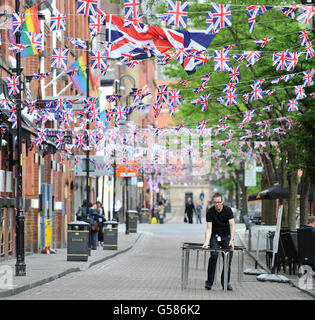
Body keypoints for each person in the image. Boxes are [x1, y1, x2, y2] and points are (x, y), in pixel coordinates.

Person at [202, 192, 235, 291]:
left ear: (222, 201)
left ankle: (225, 282)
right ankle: (209, 282)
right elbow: (208, 228)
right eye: (215, 202)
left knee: (228, 257)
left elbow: (232, 225)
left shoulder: (228, 210)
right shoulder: (210, 212)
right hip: (214, 236)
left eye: (219, 202)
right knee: (214, 255)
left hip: (226, 236)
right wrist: (206, 241)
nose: (217, 204)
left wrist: (232, 240)